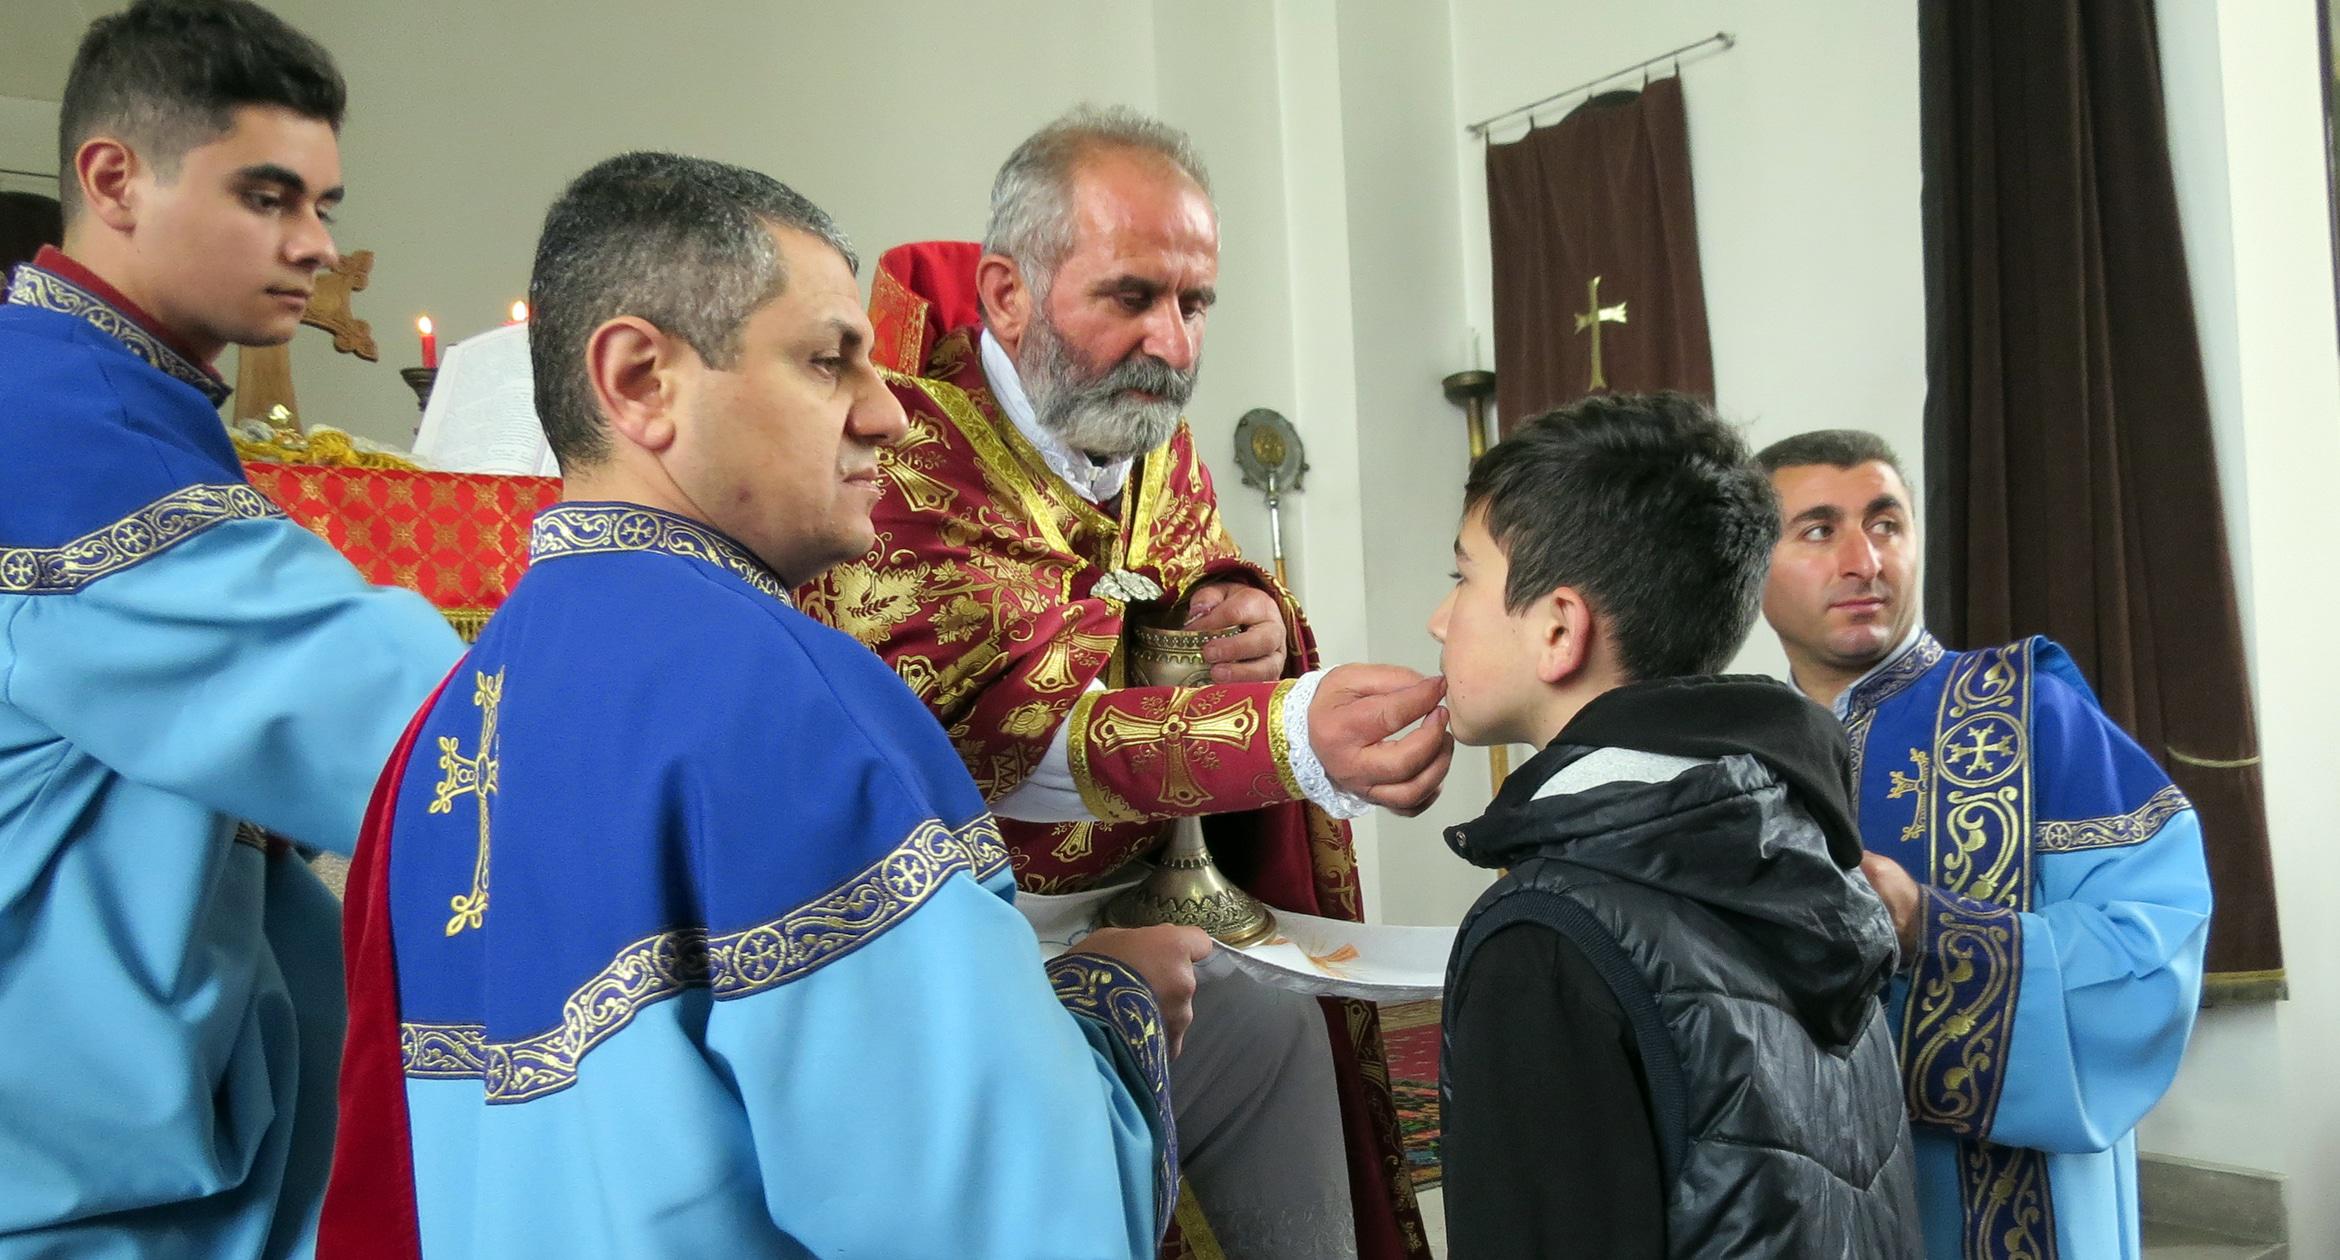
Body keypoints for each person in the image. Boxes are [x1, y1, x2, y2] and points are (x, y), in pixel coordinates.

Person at [320, 151, 1209, 1260]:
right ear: (640, 380)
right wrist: (1113, 998)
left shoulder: (449, 720)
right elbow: (1001, 1214)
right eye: (830, 362)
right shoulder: (792, 707)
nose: (887, 414)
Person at [797, 106, 1446, 1260]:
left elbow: (1188, 584)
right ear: (1007, 295)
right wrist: (1294, 731)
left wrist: (1250, 618)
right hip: (968, 961)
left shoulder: (1142, 432)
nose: (1175, 345)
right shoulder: (899, 451)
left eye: (1196, 303)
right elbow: (997, 735)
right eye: (1134, 297)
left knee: (1283, 1039)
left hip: (1155, 915)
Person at [0, 2, 463, 1254]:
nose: (317, 245)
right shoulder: (67, 432)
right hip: (77, 1152)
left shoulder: (93, 386)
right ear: (114, 180)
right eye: (268, 198)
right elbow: (406, 723)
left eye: (323, 205)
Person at [1433, 394, 1923, 1259]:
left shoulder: (1546, 941)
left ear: (1559, 628)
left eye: (1462, 578)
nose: (1440, 619)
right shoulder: (1799, 841)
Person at [1757, 428, 2211, 1260]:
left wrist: (1932, 928)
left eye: (1886, 524)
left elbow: (2155, 951)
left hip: (2010, 1209)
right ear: (1755, 564)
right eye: (1818, 530)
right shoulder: (1740, 755)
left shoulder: (2032, 714)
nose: (1864, 561)